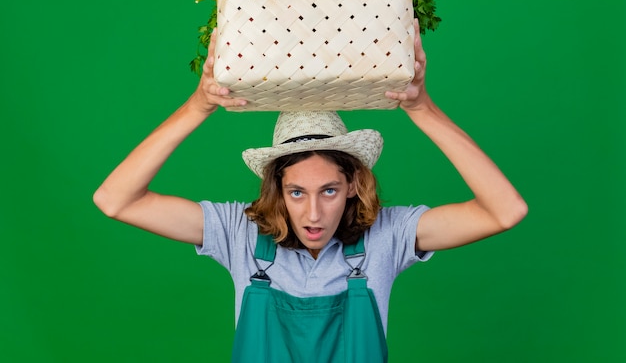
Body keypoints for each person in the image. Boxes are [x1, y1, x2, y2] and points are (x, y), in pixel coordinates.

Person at [93, 19, 527, 362]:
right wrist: (199, 105)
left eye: (330, 191)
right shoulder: (238, 233)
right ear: (277, 189)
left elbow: (504, 211)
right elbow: (116, 200)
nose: (314, 214)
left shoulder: (388, 237)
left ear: (354, 184)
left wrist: (423, 108)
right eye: (297, 192)